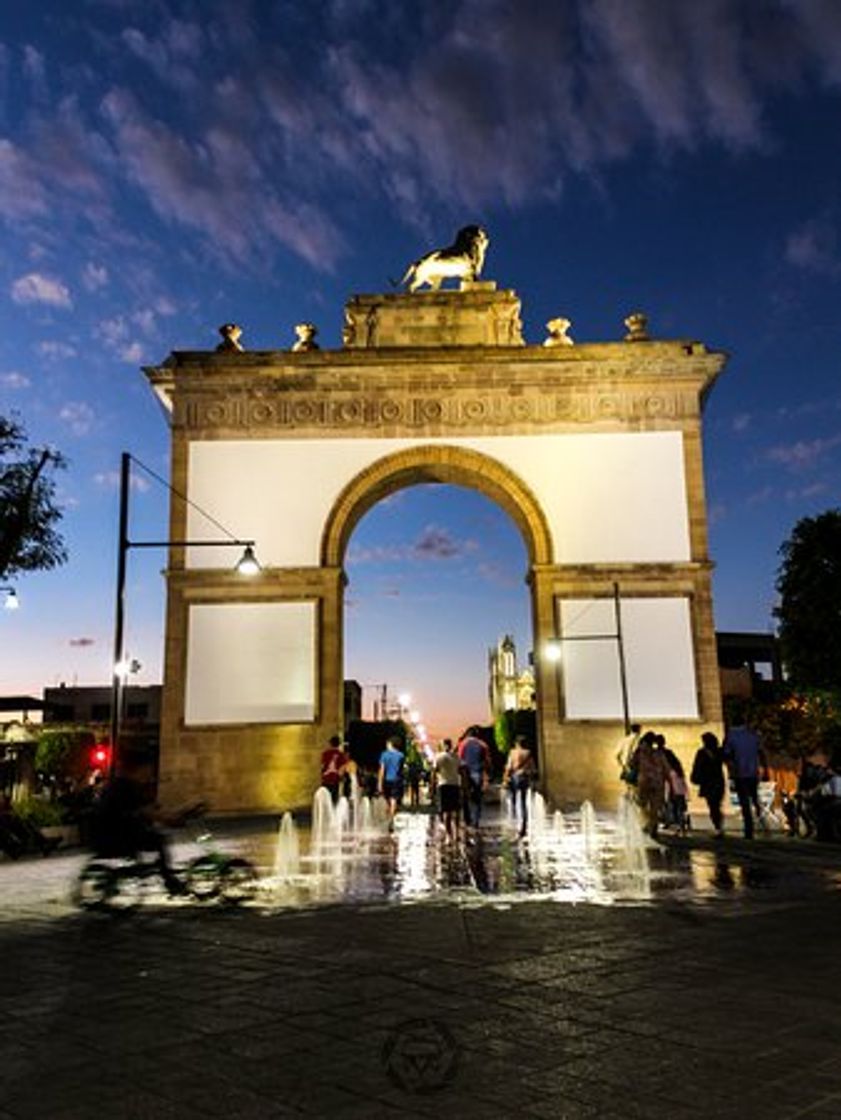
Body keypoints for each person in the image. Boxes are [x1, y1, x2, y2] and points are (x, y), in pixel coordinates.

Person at [88, 750, 185, 895]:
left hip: (112, 832)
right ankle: (169, 880)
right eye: (147, 770)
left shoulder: (120, 784)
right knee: (159, 841)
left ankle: (154, 874)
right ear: (138, 769)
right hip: (115, 836)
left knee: (150, 838)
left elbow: (149, 808)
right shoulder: (125, 786)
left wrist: (170, 814)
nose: (149, 774)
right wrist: (170, 819)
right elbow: (146, 811)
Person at [723, 711, 764, 839]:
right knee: (754, 796)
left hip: (740, 772)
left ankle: (749, 828)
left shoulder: (731, 736)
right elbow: (760, 751)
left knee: (744, 801)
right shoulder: (753, 735)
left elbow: (726, 753)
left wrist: (730, 766)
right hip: (753, 771)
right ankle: (760, 815)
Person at [629, 731, 670, 839]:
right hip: (658, 783)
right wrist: (668, 781)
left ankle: (648, 824)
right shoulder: (659, 753)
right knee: (654, 808)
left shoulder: (639, 752)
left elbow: (631, 764)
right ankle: (653, 828)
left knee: (641, 804)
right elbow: (667, 769)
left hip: (644, 782)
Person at [691, 731, 726, 836]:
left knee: (712, 805)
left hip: (708, 782)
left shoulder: (701, 753)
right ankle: (719, 825)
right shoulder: (719, 752)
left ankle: (718, 826)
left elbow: (697, 766)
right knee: (716, 804)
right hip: (718, 781)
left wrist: (695, 777)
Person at [458, 727, 491, 830]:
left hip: (466, 774)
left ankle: (467, 821)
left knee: (465, 798)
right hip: (478, 773)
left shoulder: (462, 744)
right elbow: (487, 761)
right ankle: (476, 822)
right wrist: (487, 775)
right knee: (477, 799)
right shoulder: (482, 745)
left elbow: (459, 760)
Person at [503, 734, 535, 838]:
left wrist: (505, 778)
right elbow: (532, 768)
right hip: (524, 777)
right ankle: (524, 827)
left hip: (514, 778)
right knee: (523, 802)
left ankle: (516, 824)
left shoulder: (513, 753)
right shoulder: (528, 753)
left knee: (513, 801)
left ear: (517, 743)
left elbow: (509, 766)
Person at [433, 739, 461, 840]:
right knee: (456, 811)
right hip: (455, 785)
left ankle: (449, 836)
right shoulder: (456, 757)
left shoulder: (439, 757)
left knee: (446, 812)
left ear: (443, 745)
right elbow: (461, 771)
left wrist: (432, 786)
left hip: (443, 785)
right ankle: (456, 833)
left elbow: (434, 771)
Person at [661, 737, 690, 833]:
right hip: (679, 789)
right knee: (679, 807)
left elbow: (670, 783)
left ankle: (679, 825)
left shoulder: (670, 771)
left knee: (674, 806)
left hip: (674, 789)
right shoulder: (678, 769)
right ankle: (681, 825)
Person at [378, 736, 405, 831]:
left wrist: (379, 783)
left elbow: (382, 769)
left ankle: (389, 816)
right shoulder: (401, 755)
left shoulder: (384, 755)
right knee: (394, 800)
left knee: (387, 799)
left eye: (387, 744)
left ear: (390, 744)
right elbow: (401, 770)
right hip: (397, 780)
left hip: (386, 780)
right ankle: (391, 819)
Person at [320, 734, 347, 805]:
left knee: (324, 799)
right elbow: (342, 769)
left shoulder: (325, 753)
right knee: (333, 800)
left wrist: (322, 775)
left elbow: (322, 766)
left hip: (326, 779)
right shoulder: (341, 755)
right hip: (335, 780)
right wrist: (341, 778)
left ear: (330, 743)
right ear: (339, 744)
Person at [616, 723, 642, 789]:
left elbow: (617, 755)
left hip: (626, 767)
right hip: (636, 768)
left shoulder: (624, 740)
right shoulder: (640, 741)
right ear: (639, 730)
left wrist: (622, 765)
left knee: (628, 788)